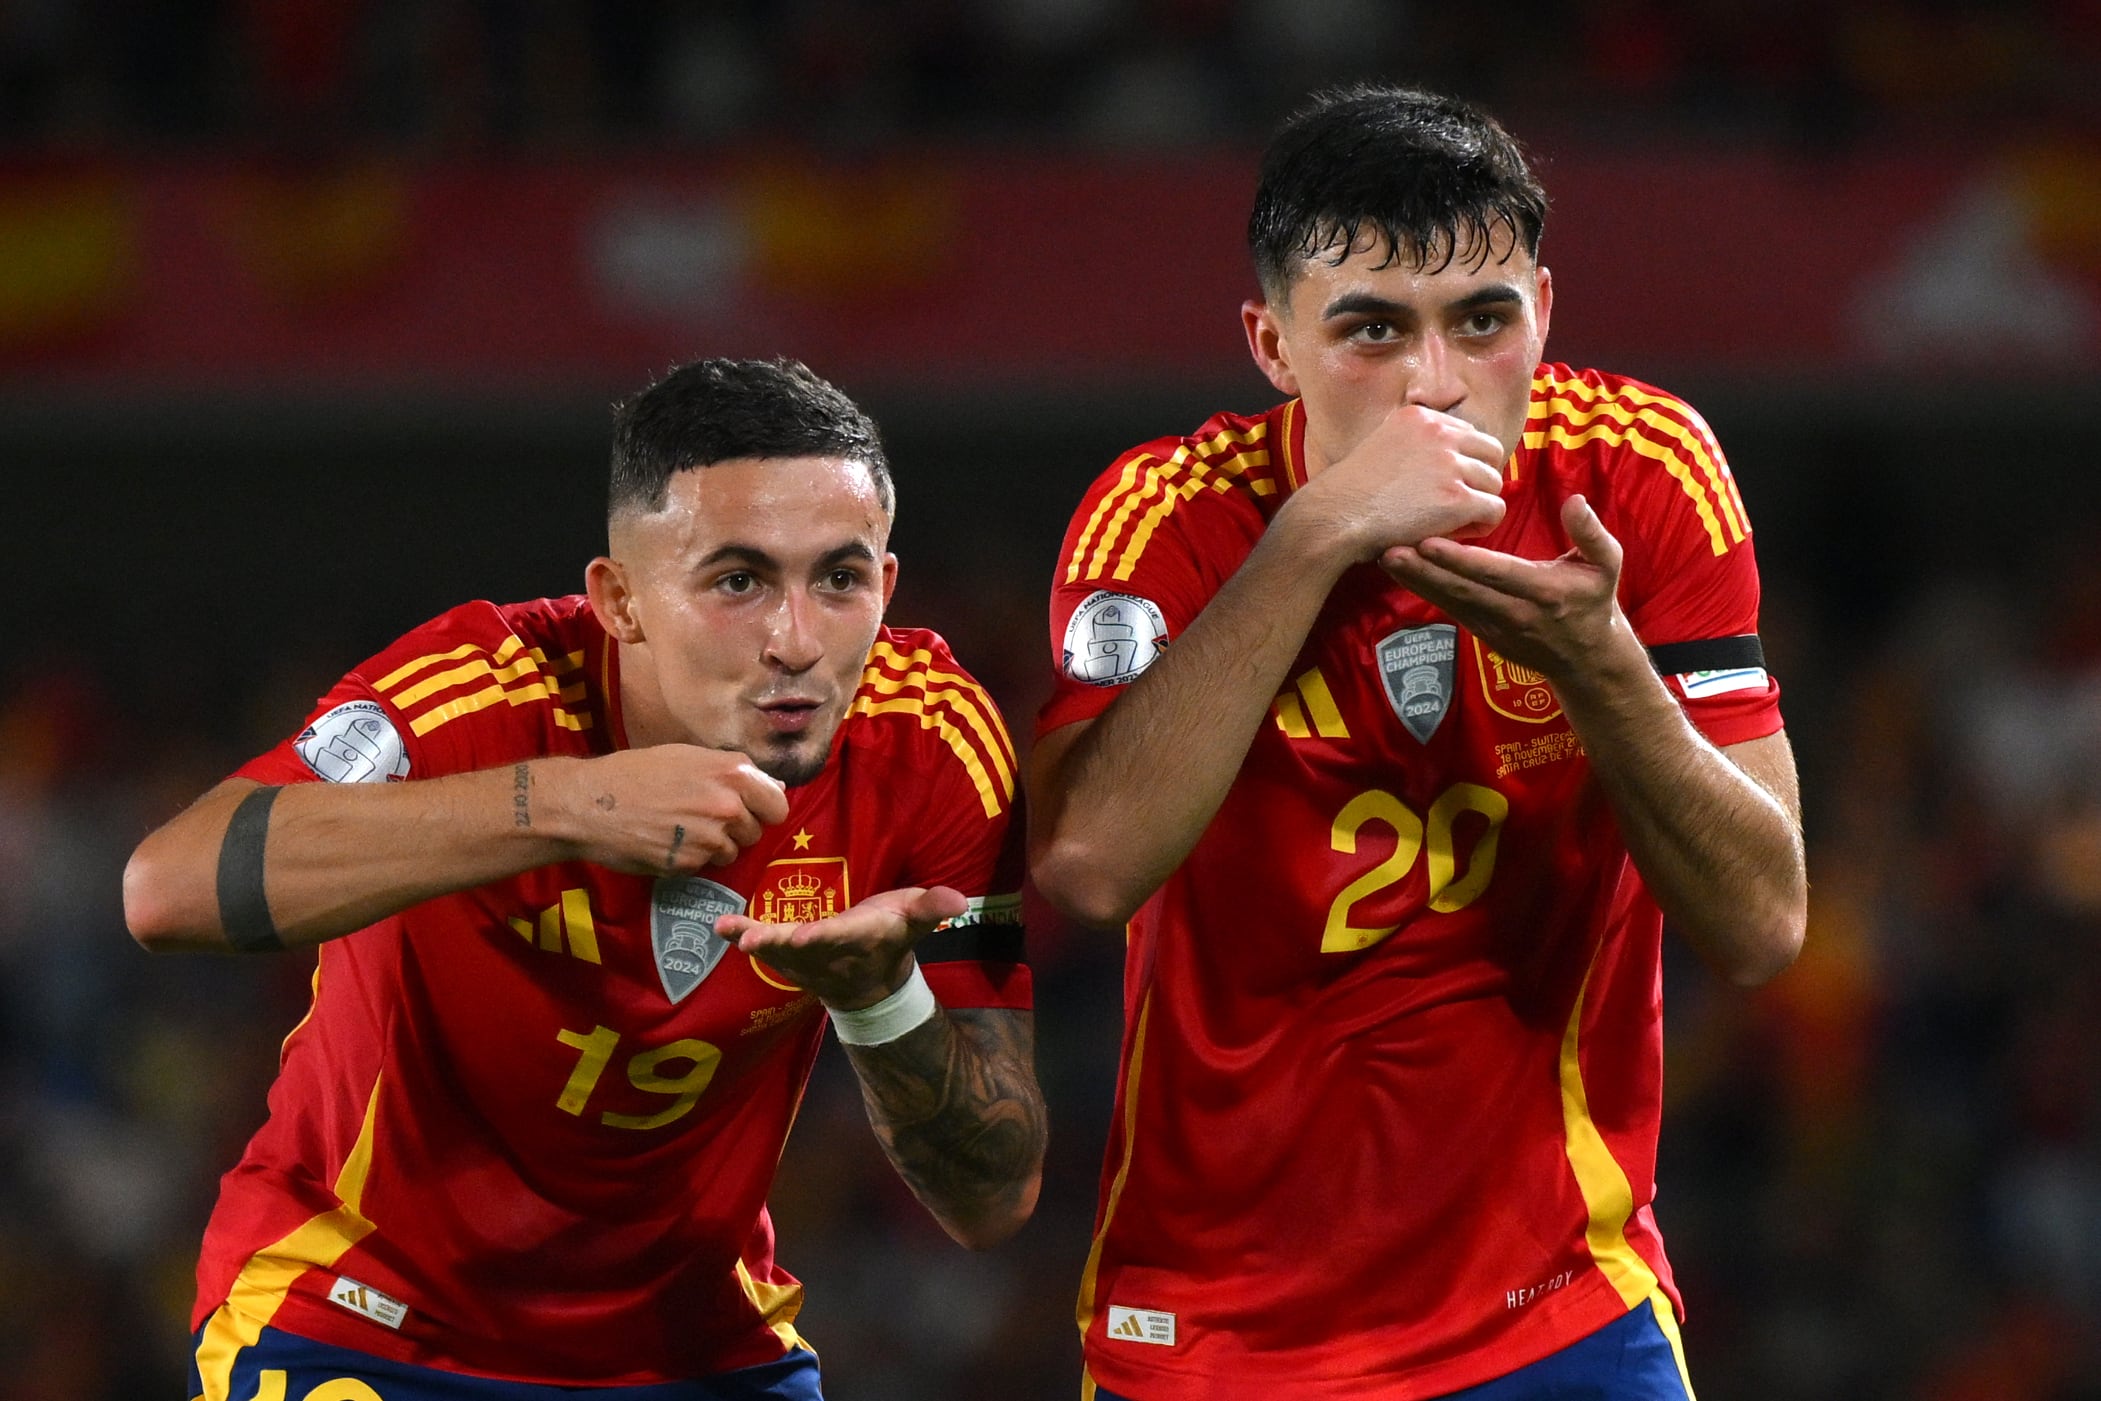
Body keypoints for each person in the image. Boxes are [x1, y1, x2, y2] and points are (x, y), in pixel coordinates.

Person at [1028, 86, 1806, 1400]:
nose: (1434, 385)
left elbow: (1761, 923)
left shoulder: (1639, 475)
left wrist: (1598, 663)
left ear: (1542, 314)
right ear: (1270, 344)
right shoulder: (1165, 514)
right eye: (1371, 332)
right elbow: (1089, 865)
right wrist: (1315, 535)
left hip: (1559, 1310)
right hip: (1214, 1333)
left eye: (1482, 321)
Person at [125, 357, 1048, 1401]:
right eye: (737, 581)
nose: (795, 640)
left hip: (698, 1351)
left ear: (884, 587)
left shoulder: (932, 743)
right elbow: (166, 887)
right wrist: (565, 803)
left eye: (837, 579)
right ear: (619, 602)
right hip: (363, 1319)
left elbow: (994, 1198)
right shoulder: (475, 692)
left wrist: (882, 999)